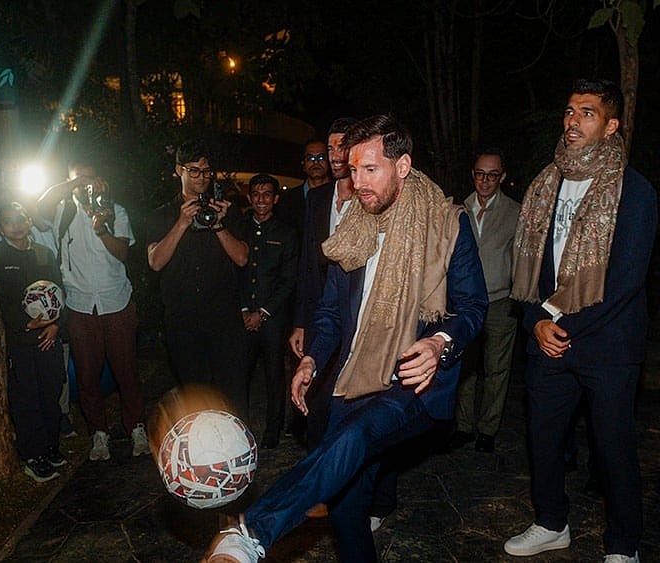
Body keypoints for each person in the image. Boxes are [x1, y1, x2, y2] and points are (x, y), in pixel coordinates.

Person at [204, 114, 487, 563]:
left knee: (353, 438)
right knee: (347, 512)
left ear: (403, 165)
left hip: (410, 382)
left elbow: (474, 308)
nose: (357, 182)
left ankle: (253, 531)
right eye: (353, 170)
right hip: (351, 379)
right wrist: (312, 360)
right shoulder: (354, 227)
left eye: (369, 169)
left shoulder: (447, 224)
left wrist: (439, 343)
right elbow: (333, 311)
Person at [505, 78, 657, 562]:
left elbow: (627, 278)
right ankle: (551, 522)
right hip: (547, 337)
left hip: (607, 344)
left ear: (611, 126)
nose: (572, 121)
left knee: (613, 447)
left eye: (586, 113)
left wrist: (559, 327)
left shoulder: (634, 191)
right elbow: (524, 267)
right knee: (543, 440)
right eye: (569, 111)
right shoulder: (544, 183)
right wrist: (534, 322)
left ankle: (623, 545)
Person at [44, 161, 147, 461]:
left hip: (115, 301)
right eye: (79, 181)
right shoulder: (61, 211)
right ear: (69, 183)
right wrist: (73, 186)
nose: (85, 187)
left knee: (126, 371)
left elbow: (123, 253)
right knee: (87, 376)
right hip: (79, 304)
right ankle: (98, 434)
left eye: (91, 179)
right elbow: (40, 202)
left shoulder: (116, 211)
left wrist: (101, 229)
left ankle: (136, 428)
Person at [145, 140, 251, 416]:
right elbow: (155, 262)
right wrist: (181, 222)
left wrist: (218, 225)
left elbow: (242, 258)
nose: (202, 177)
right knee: (196, 395)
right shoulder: (161, 215)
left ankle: (238, 451)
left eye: (206, 171)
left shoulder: (227, 211)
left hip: (224, 320)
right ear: (178, 170)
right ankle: (204, 455)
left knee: (233, 393)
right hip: (183, 321)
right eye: (194, 171)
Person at [288, 117, 358, 452]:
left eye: (341, 146)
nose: (334, 155)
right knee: (315, 398)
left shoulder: (370, 198)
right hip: (320, 316)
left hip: (360, 314)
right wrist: (300, 320)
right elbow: (305, 264)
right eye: (329, 148)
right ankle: (319, 478)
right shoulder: (317, 198)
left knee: (355, 400)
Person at [450, 146, 521, 453]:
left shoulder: (515, 212)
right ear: (473, 174)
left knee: (496, 369)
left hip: (500, 301)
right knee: (465, 367)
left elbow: (521, 259)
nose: (485, 180)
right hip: (465, 304)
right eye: (480, 173)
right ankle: (464, 426)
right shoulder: (457, 209)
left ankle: (487, 429)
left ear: (502, 177)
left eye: (493, 175)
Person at [0, 203, 66, 482]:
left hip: (49, 338)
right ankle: (32, 455)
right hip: (21, 342)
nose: (17, 226)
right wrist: (26, 324)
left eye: (21, 219)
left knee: (51, 392)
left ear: (29, 221)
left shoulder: (43, 253)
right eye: (9, 222)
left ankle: (49, 447)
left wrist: (57, 324)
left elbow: (59, 291)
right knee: (26, 399)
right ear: (0, 229)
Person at [240, 174, 299, 449]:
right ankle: (238, 429)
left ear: (276, 198)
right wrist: (243, 310)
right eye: (256, 193)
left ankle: (272, 431)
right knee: (239, 377)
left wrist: (262, 313)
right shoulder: (239, 229)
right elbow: (233, 274)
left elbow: (289, 280)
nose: (261, 199)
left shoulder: (287, 233)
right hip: (241, 318)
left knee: (275, 376)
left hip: (272, 319)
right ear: (249, 197)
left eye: (267, 194)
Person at [277, 139, 332, 235]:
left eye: (321, 158)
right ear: (303, 164)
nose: (316, 163)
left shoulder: (340, 195)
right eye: (310, 158)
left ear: (329, 161)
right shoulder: (288, 200)